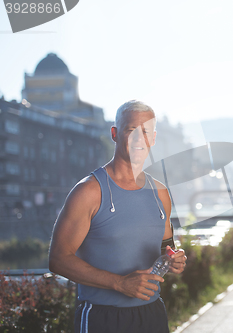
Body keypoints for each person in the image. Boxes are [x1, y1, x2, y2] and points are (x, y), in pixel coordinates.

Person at [49, 100, 187, 333]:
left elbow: (166, 245)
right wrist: (119, 283)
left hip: (152, 313)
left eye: (146, 132)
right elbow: (58, 259)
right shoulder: (89, 192)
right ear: (114, 134)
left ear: (153, 138)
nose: (139, 139)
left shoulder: (160, 193)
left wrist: (174, 257)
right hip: (102, 316)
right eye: (131, 130)